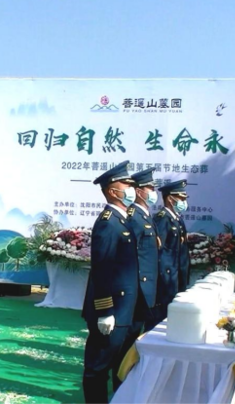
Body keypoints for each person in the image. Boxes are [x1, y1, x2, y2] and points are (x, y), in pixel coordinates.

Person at [82, 161, 142, 404]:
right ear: (112, 191)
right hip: (112, 310)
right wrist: (105, 310)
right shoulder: (108, 223)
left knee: (120, 365)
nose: (131, 190)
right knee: (98, 367)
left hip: (125, 309)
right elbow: (102, 269)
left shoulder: (123, 220)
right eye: (126, 185)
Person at [152, 179, 188, 326]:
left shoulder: (177, 219)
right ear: (170, 199)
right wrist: (164, 276)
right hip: (166, 278)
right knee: (160, 318)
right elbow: (158, 250)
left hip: (176, 275)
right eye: (181, 199)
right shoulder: (162, 219)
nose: (184, 202)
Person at [128, 168, 159, 332]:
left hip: (149, 281)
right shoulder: (134, 216)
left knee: (141, 328)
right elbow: (131, 253)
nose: (154, 193)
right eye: (150, 189)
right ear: (139, 192)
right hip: (140, 282)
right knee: (133, 329)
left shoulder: (146, 215)